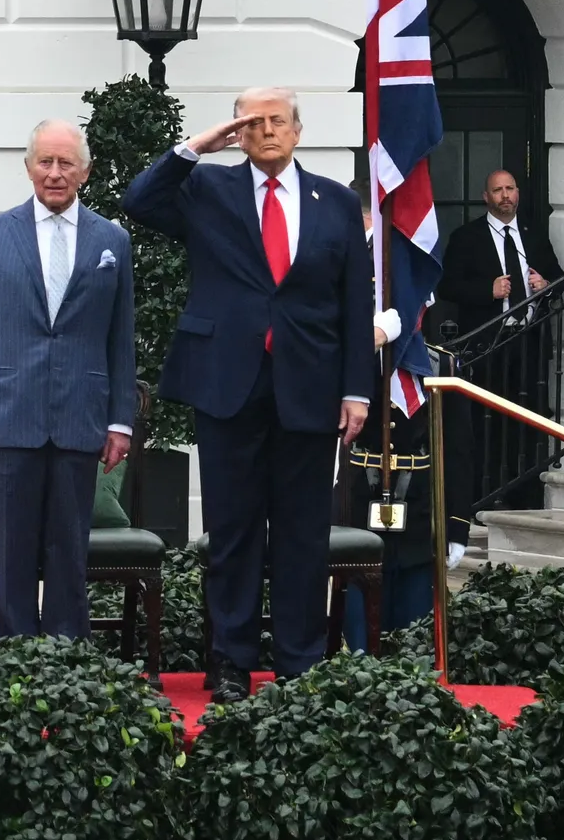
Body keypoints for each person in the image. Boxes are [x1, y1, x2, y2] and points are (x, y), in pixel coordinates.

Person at [122, 87, 375, 697]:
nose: (266, 131)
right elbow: (140, 200)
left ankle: (298, 659)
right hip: (226, 382)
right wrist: (199, 145)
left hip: (310, 386)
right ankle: (229, 661)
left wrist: (357, 392)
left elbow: (353, 301)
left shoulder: (336, 202)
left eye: (277, 121)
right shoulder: (209, 190)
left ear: (297, 131)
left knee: (302, 530)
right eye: (252, 122)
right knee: (232, 530)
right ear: (238, 131)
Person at [0, 118, 137, 641]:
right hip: (7, 412)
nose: (55, 174)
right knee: (10, 551)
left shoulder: (112, 241)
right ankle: (13, 657)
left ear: (85, 171)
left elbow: (121, 338)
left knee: (68, 550)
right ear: (29, 166)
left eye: (66, 164)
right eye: (45, 162)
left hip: (82, 413)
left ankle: (64, 659)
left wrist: (121, 419)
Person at [437, 166, 557, 514]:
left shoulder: (533, 235)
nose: (506, 196)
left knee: (528, 418)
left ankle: (525, 495)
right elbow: (447, 286)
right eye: (498, 190)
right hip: (488, 345)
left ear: (518, 193)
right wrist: (486, 291)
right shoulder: (467, 237)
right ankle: (483, 493)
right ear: (486, 197)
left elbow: (560, 276)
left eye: (510, 188)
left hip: (529, 340)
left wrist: (545, 285)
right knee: (486, 421)